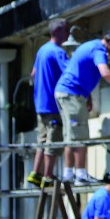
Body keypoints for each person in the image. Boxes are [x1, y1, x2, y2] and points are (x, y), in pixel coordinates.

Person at [53, 28, 110, 184]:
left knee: (71, 134)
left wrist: (88, 96)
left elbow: (81, 71)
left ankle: (68, 174)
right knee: (80, 134)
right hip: (71, 93)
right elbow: (105, 73)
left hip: (67, 92)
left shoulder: (89, 45)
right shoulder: (99, 50)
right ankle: (80, 174)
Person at [26, 19, 70, 187]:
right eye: (66, 30)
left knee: (42, 139)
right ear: (58, 31)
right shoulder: (57, 52)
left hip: (40, 103)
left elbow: (33, 73)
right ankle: (48, 176)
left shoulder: (42, 50)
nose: (68, 34)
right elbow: (70, 73)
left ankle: (35, 173)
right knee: (53, 138)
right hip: (53, 104)